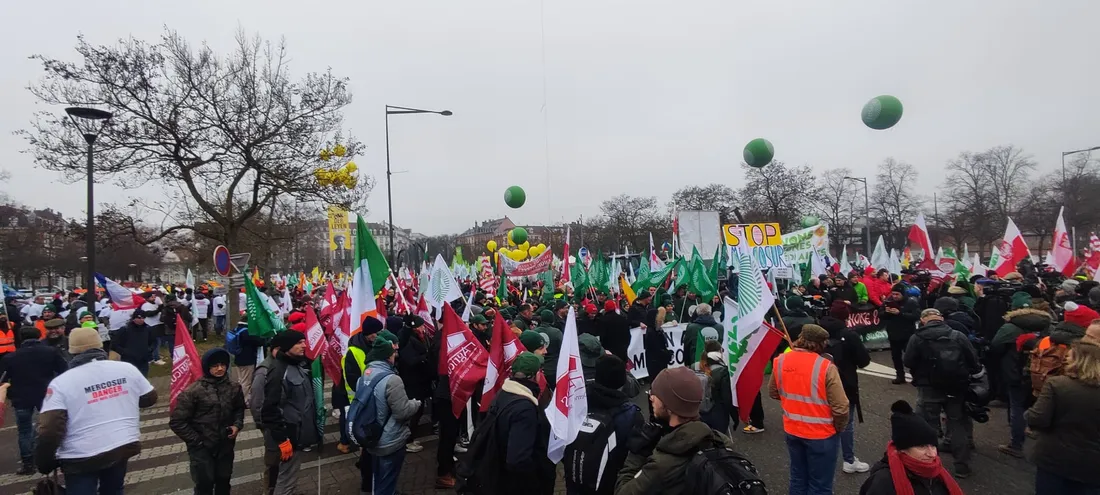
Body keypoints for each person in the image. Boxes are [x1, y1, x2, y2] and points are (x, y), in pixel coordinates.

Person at [35, 325, 158, 493]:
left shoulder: (61, 383)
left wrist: (44, 460)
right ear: (101, 345)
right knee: (114, 490)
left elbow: (50, 428)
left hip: (80, 455)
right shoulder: (126, 369)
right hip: (121, 445)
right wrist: (117, 398)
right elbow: (149, 398)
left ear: (71, 351)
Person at [615, 366, 735, 494]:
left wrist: (636, 455)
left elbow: (622, 492)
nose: (651, 398)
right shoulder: (722, 441)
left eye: (655, 394)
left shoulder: (662, 465)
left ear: (670, 405)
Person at [770, 324, 849, 495]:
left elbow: (773, 392)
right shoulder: (825, 366)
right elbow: (841, 407)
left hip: (792, 429)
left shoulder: (780, 361)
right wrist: (839, 427)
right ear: (821, 344)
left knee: (798, 479)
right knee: (820, 485)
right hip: (822, 434)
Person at [903, 308, 980, 479]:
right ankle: (962, 466)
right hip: (956, 387)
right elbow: (973, 360)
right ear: (941, 318)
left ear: (923, 320)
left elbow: (907, 361)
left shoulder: (917, 337)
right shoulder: (957, 335)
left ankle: (930, 465)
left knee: (928, 425)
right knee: (957, 423)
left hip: (928, 387)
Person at [469, 351, 556, 494]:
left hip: (498, 475)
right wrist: (535, 484)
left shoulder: (502, 394)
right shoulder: (524, 409)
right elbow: (517, 459)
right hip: (515, 485)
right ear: (534, 376)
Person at [1026, 340, 1100, 494]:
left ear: (1079, 361)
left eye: (1070, 357)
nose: (1066, 359)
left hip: (1055, 459)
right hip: (1093, 467)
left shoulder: (1057, 385)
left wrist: (1027, 414)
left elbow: (1038, 419)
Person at [169, 348, 246, 495]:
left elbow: (239, 409)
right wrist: (197, 442)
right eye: (215, 365)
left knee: (224, 481)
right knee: (205, 484)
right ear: (207, 367)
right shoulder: (193, 391)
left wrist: (237, 425)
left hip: (225, 445)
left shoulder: (234, 387)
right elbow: (177, 422)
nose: (220, 369)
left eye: (223, 365)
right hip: (202, 449)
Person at [565, 354, 643, 495]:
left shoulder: (577, 402)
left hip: (577, 480)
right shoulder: (631, 415)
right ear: (622, 381)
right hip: (611, 483)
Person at [255, 330, 318, 495]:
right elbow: (270, 410)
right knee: (285, 482)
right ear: (286, 346)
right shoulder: (278, 371)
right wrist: (283, 439)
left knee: (289, 479)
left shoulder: (296, 364)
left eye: (304, 341)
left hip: (298, 434)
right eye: (299, 342)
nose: (304, 345)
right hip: (289, 436)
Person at [989, 294, 1051, 460]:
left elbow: (995, 346)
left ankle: (1016, 444)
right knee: (1038, 402)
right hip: (1042, 371)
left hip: (1015, 371)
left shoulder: (1010, 327)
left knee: (1017, 406)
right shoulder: (1047, 324)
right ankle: (1034, 430)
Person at [0, 325, 68, 474]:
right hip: (47, 394)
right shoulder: (50, 352)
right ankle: (55, 456)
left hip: (21, 397)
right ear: (38, 336)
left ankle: (28, 463)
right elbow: (64, 371)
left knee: (24, 430)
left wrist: (11, 393)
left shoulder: (10, 357)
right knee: (50, 426)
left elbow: (3, 379)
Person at [859, 400, 965, 495]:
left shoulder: (936, 473)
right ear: (903, 449)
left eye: (933, 446)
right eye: (922, 446)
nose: (932, 454)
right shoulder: (883, 483)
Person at [360, 336, 422, 495]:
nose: (396, 354)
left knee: (378, 477)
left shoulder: (366, 374)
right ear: (387, 356)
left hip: (372, 435)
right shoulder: (392, 379)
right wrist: (415, 403)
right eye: (393, 352)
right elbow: (402, 412)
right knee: (387, 480)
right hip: (389, 438)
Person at [820, 301, 873, 474]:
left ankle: (823, 457)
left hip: (819, 382)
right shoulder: (849, 335)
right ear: (847, 316)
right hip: (845, 383)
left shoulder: (817, 331)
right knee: (846, 423)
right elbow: (864, 361)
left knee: (822, 420)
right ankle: (849, 460)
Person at [397, 314, 433, 455]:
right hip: (412, 382)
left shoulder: (416, 338)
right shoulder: (408, 339)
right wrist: (425, 357)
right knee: (414, 412)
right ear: (415, 327)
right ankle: (407, 440)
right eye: (421, 325)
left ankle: (411, 438)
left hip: (419, 381)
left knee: (418, 410)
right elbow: (410, 360)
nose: (424, 328)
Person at [693, 340, 735, 434]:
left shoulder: (694, 367)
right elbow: (727, 398)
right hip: (718, 414)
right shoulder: (722, 371)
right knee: (720, 441)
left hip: (697, 413)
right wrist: (735, 416)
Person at [883, 284, 921, 384]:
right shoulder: (889, 302)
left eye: (897, 294)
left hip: (907, 334)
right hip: (893, 334)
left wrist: (900, 313)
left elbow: (916, 316)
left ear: (903, 294)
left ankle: (915, 376)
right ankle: (900, 376)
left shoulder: (911, 302)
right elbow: (880, 314)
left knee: (911, 356)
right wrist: (886, 312)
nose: (895, 296)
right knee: (896, 357)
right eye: (893, 294)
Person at [113, 312, 157, 376]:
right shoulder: (125, 329)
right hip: (129, 360)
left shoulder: (148, 329)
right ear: (134, 318)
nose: (141, 320)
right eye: (139, 318)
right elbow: (114, 344)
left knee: (143, 377)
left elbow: (154, 341)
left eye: (143, 318)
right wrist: (125, 352)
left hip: (143, 359)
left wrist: (149, 350)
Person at [681, 303, 722, 368]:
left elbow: (686, 347)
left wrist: (687, 364)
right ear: (710, 312)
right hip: (716, 363)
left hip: (696, 363)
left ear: (697, 312)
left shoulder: (691, 327)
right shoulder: (720, 328)